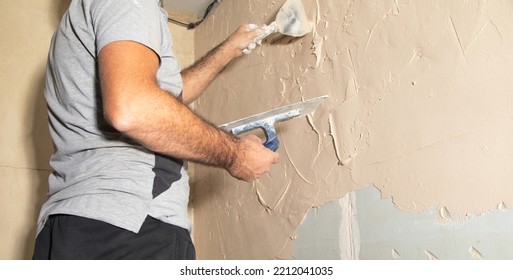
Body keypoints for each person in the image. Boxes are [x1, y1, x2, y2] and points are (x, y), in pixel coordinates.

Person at [33, 0, 279, 260]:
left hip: (81, 226)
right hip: (128, 225)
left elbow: (157, 101)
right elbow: (135, 109)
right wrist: (235, 154)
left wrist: (228, 50)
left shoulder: (90, 16)